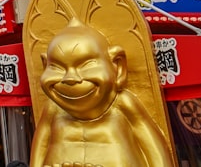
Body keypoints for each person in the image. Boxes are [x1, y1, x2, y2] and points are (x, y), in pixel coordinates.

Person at [32, 20, 172, 166]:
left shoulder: (123, 104)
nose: (70, 78)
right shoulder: (52, 109)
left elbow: (153, 149)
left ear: (117, 66)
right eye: (56, 67)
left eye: (86, 65)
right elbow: (39, 150)